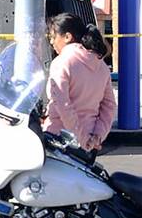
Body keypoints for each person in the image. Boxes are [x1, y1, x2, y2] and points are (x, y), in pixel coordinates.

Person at [45, 13, 116, 152]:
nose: (52, 42)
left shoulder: (62, 62)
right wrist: (97, 136)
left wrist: (81, 137)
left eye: (53, 37)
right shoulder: (101, 65)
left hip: (59, 139)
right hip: (90, 143)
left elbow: (63, 105)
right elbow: (109, 106)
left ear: (67, 37)